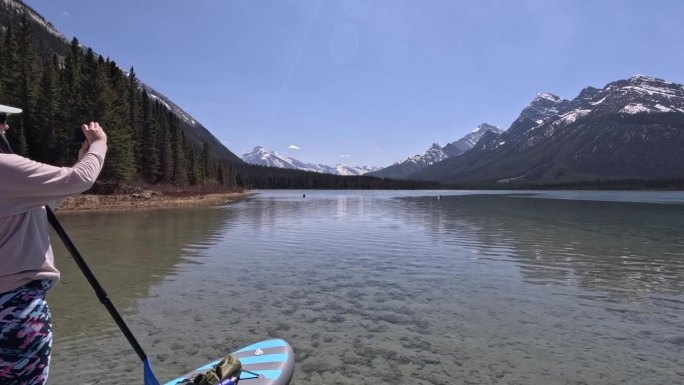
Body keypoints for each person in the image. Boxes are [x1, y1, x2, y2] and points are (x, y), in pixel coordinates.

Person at [0, 103, 108, 385]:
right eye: (1, 119)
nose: (6, 126)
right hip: (14, 312)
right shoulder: (4, 168)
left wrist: (81, 159)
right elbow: (81, 179)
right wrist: (99, 144)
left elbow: (45, 201)